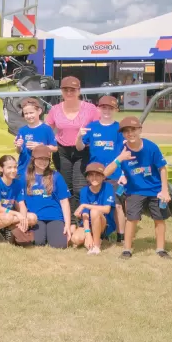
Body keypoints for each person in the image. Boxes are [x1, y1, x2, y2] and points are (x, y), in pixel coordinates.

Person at [104, 116, 171, 260]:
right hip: (134, 190)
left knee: (159, 219)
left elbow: (162, 168)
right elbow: (105, 173)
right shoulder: (121, 149)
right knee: (131, 219)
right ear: (122, 134)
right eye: (126, 131)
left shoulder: (151, 147)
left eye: (133, 129)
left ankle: (160, 249)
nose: (130, 133)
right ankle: (127, 250)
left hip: (155, 190)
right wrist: (120, 159)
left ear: (140, 130)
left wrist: (164, 190)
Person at [75, 95, 126, 243]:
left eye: (110, 108)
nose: (107, 111)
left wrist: (123, 173)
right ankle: (99, 230)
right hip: (95, 174)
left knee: (117, 205)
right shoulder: (92, 127)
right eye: (104, 107)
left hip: (114, 174)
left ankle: (121, 236)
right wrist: (79, 137)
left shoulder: (119, 129)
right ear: (99, 108)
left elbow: (125, 152)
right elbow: (79, 148)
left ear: (115, 110)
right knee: (96, 204)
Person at [45, 76, 100, 207]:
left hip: (83, 150)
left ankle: (79, 214)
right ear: (61, 91)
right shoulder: (55, 109)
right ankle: (68, 215)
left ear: (79, 91)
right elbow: (46, 130)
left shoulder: (90, 109)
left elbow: (99, 128)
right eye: (66, 90)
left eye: (73, 90)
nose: (69, 93)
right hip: (62, 151)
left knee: (79, 187)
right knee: (66, 186)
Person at [23, 145, 73, 249]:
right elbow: (20, 201)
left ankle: (51, 233)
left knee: (60, 245)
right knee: (37, 242)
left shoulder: (56, 176)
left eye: (46, 159)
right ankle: (44, 234)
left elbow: (64, 202)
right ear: (33, 159)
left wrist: (67, 225)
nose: (43, 162)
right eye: (40, 158)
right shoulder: (25, 176)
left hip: (55, 217)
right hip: (36, 218)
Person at [0, 155, 35, 244]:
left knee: (33, 217)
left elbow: (21, 204)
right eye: (9, 167)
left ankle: (6, 228)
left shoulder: (18, 183)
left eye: (15, 167)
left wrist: (23, 219)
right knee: (8, 217)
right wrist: (17, 214)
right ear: (1, 169)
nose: (13, 170)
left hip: (9, 215)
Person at [71, 163, 116, 255]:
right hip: (89, 223)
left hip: (103, 223)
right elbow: (85, 214)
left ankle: (96, 246)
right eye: (91, 175)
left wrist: (85, 205)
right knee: (75, 239)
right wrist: (88, 234)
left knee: (94, 212)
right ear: (87, 177)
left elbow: (106, 209)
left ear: (103, 177)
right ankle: (92, 238)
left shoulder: (108, 187)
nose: (94, 178)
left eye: (98, 175)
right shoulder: (84, 191)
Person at [15, 98, 57, 177]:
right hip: (23, 169)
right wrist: (18, 146)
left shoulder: (46, 129)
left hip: (40, 170)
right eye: (26, 113)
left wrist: (40, 147)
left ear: (39, 111)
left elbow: (55, 148)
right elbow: (19, 151)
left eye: (31, 113)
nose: (29, 116)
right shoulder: (22, 130)